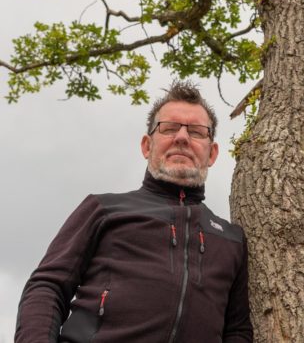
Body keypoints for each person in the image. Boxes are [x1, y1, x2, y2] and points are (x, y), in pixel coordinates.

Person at [15, 82, 253, 342]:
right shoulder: (104, 209)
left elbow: (238, 330)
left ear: (212, 153)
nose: (182, 137)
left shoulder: (232, 240)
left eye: (196, 132)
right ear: (146, 146)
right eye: (169, 128)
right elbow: (47, 287)